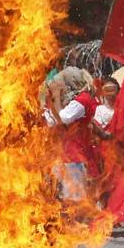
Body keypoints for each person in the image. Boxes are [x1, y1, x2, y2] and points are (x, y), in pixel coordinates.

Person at [41, 67, 101, 200]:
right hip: (64, 154)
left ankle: (82, 219)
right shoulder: (71, 100)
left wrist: (56, 98)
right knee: (60, 195)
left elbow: (63, 118)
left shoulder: (83, 99)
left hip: (75, 154)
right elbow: (51, 121)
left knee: (75, 196)